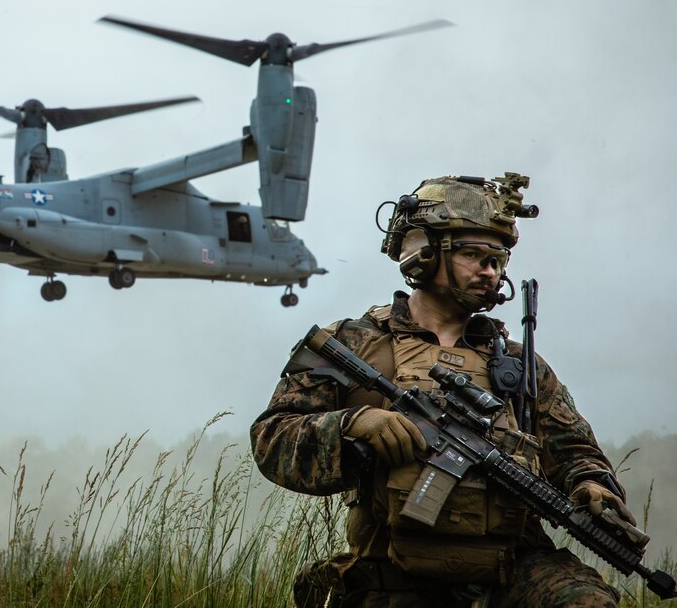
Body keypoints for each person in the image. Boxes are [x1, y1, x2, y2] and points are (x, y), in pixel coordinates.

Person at [250, 174, 637, 608]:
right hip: (390, 573)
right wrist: (352, 426)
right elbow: (271, 438)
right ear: (422, 254)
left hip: (510, 573)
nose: (489, 270)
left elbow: (576, 455)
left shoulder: (519, 366)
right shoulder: (352, 343)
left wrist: (592, 487)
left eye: (498, 259)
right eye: (473, 254)